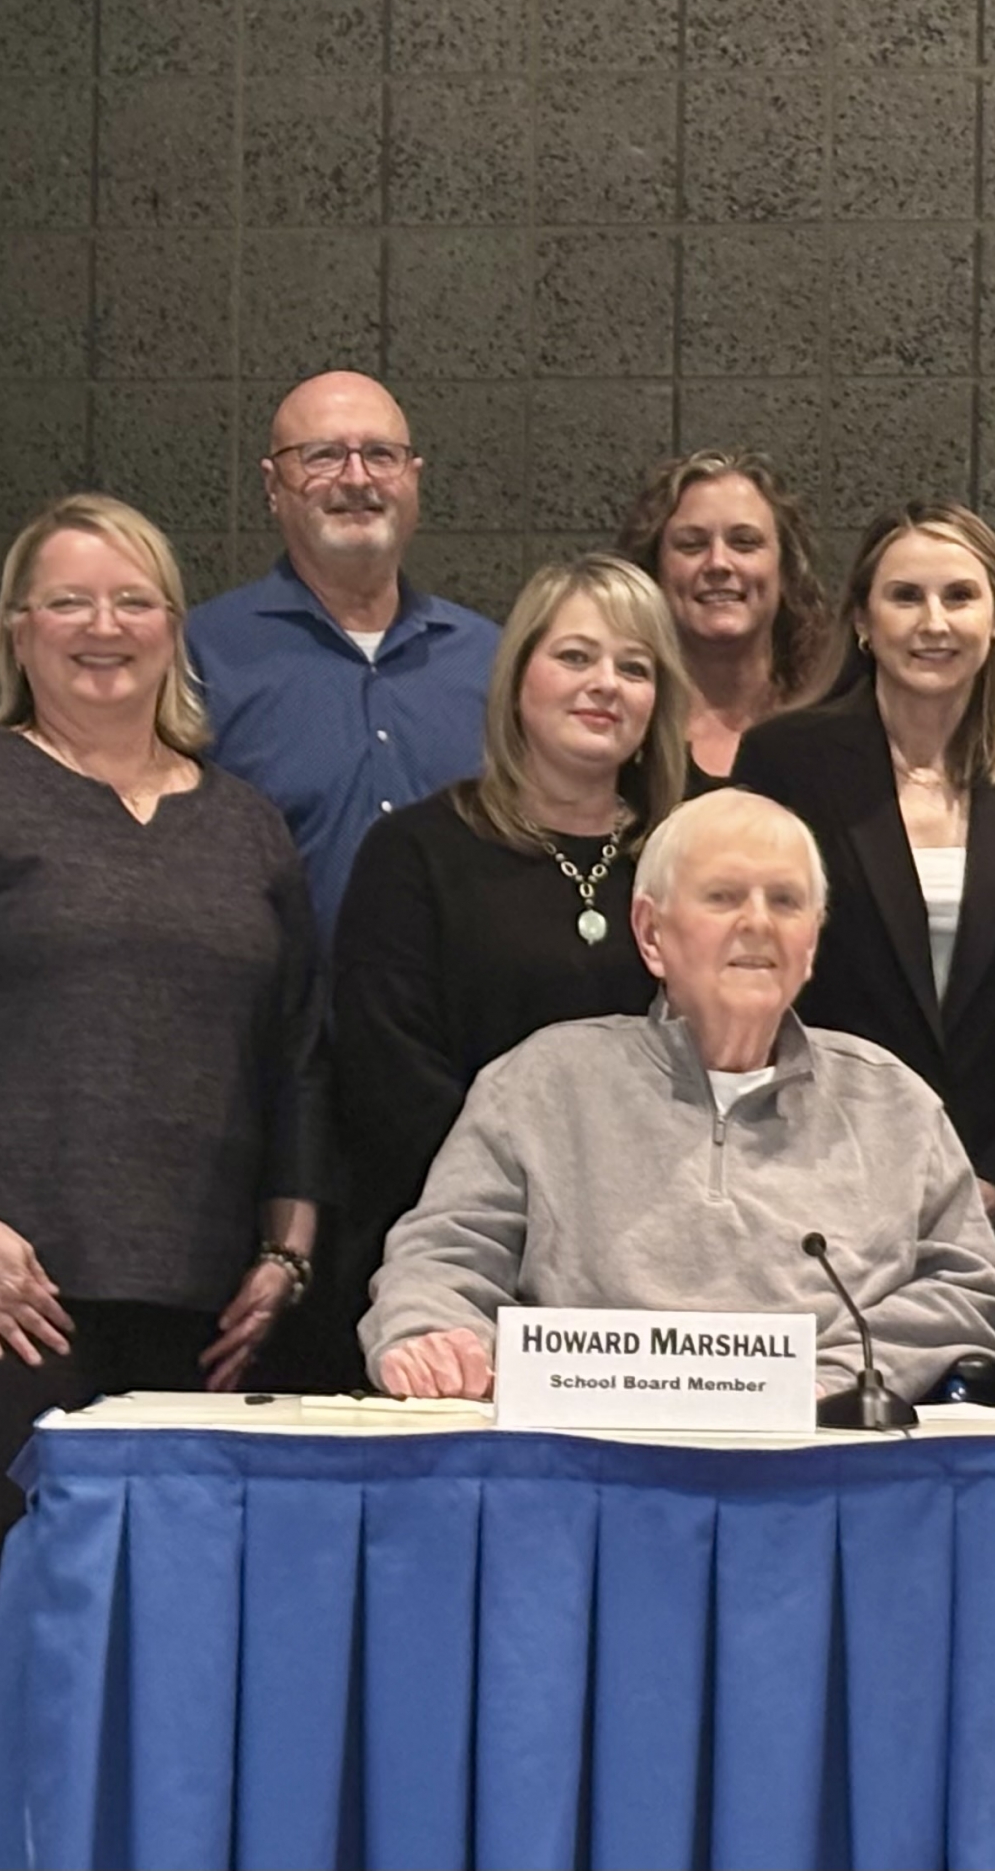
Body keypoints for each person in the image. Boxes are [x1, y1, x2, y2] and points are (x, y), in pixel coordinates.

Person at [0, 497, 325, 1870]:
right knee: (22, 1598)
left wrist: (288, 1254)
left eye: (130, 599)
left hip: (196, 1297)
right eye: (67, 601)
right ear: (19, 629)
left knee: (176, 1613)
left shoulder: (245, 827)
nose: (102, 628)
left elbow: (299, 1060)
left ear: (174, 627)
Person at [362, 788, 995, 1402]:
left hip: (818, 1462)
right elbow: (440, 1257)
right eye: (724, 897)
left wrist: (832, 1376)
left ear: (812, 942)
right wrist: (438, 1337)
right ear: (651, 935)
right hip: (584, 1463)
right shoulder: (543, 1082)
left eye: (786, 902)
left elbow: (971, 1285)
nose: (758, 923)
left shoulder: (892, 1102)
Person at [731, 505, 995, 1393]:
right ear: (862, 619)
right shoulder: (788, 762)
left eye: (960, 596)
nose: (934, 622)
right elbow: (757, 980)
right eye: (906, 597)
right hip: (819, 1186)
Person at [323, 554, 690, 1382]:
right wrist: (537, 1209)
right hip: (454, 1279)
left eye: (635, 668)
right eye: (575, 657)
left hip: (656, 1286)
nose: (606, 684)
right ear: (518, 674)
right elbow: (387, 1073)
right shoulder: (416, 852)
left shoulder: (691, 855)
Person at [185, 370, 498, 940]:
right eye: (323, 456)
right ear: (272, 486)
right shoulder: (202, 654)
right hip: (277, 1023)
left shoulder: (490, 659)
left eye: (381, 455)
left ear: (414, 480)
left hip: (462, 1025)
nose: (357, 479)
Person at [616, 448, 835, 789]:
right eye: (691, 545)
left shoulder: (835, 730)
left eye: (744, 543)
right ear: (653, 571)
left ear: (787, 570)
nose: (718, 563)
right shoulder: (619, 729)